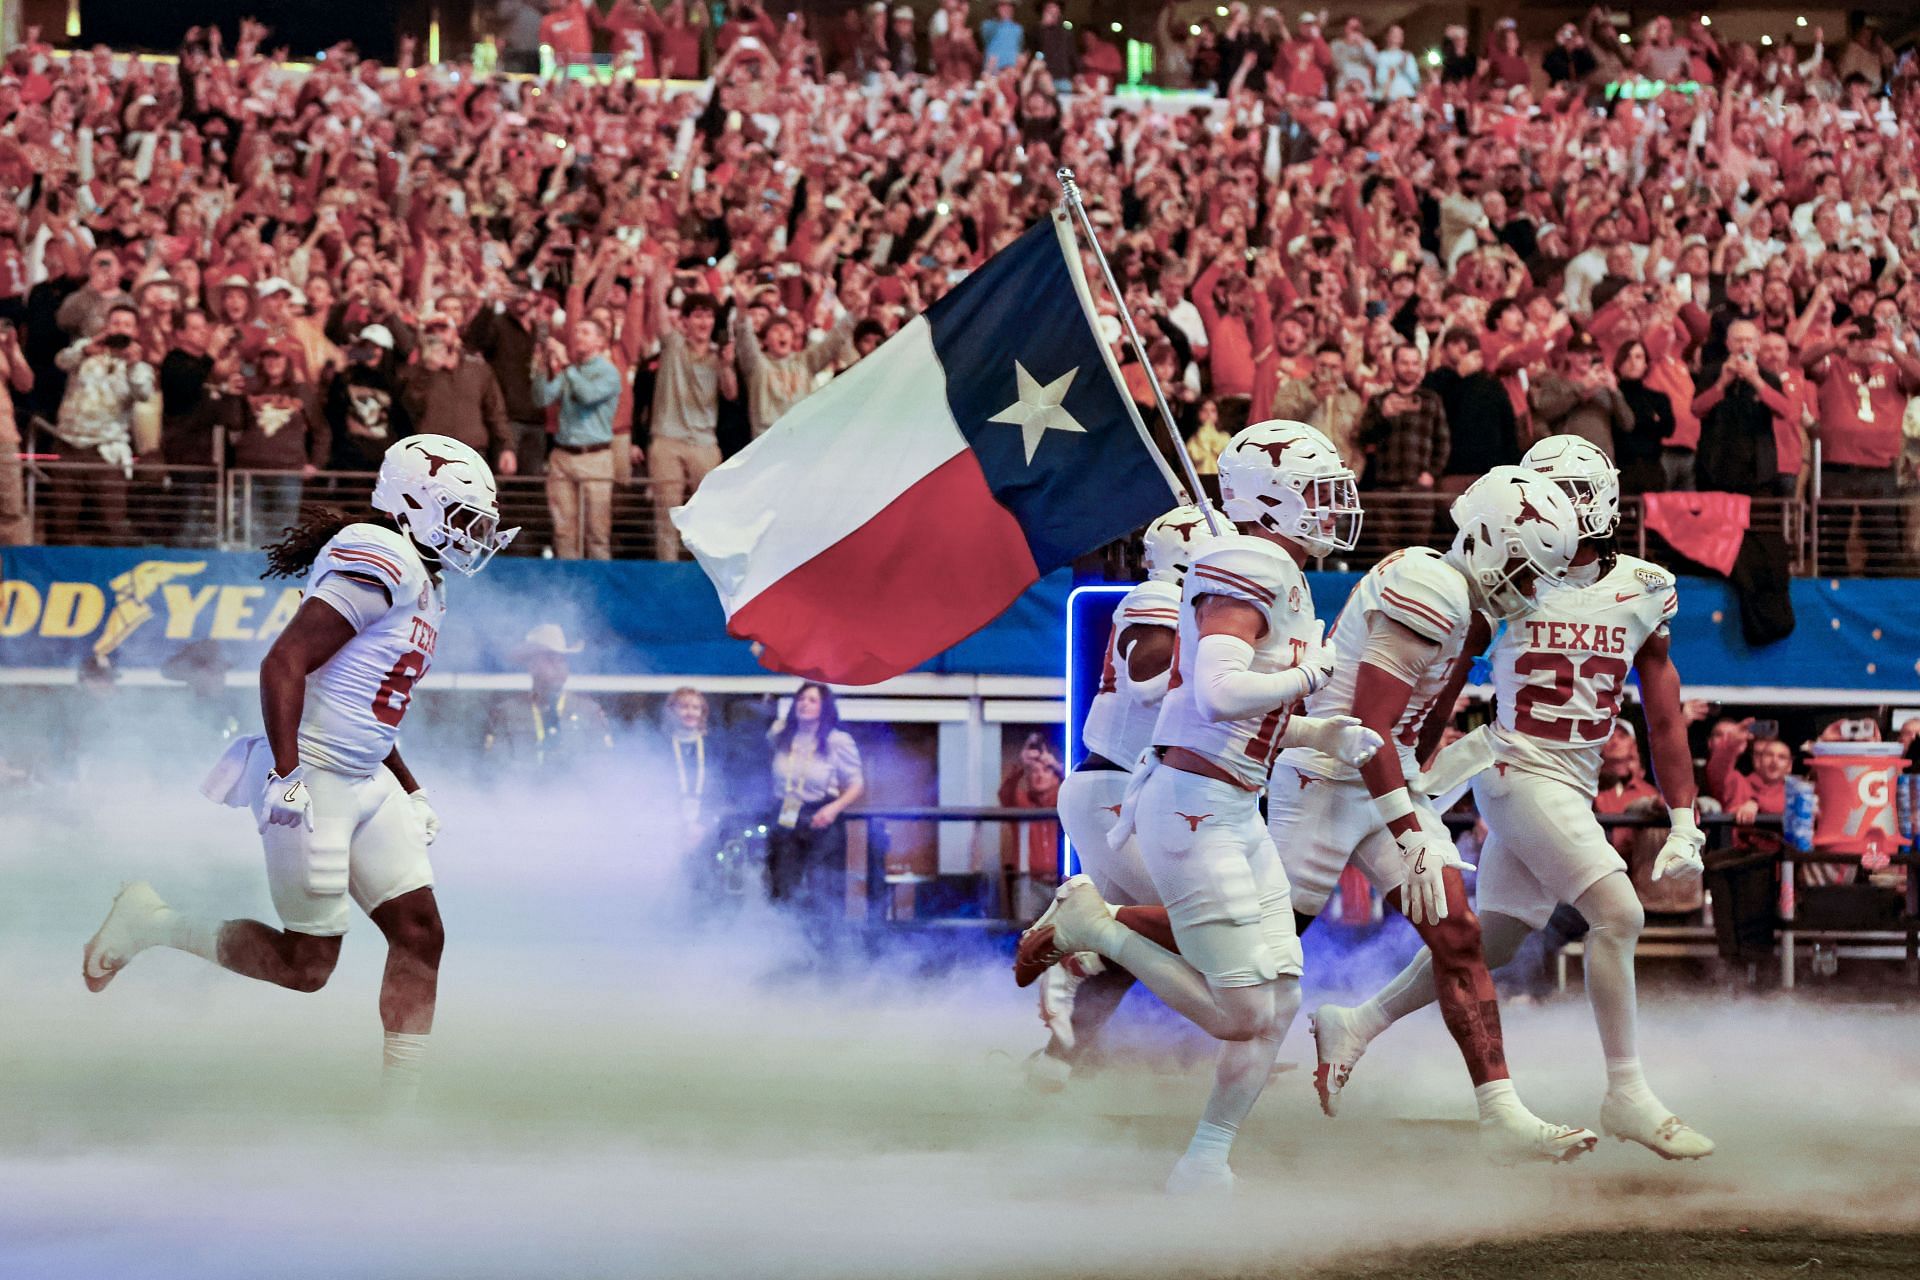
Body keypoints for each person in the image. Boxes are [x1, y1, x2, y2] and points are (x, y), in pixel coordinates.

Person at [82, 434, 520, 1111]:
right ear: (416, 504)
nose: (471, 536)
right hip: (314, 773)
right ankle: (152, 922)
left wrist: (409, 782)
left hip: (363, 775)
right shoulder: (384, 557)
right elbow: (284, 663)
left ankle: (397, 1115)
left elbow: (365, 706)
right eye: (461, 517)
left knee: (420, 934)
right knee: (307, 966)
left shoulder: (420, 578)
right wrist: (286, 775)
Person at [1312, 437, 1714, 1161]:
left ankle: (1358, 1022)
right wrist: (1412, 767)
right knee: (1618, 914)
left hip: (1572, 782)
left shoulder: (1646, 586)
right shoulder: (1505, 577)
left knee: (1491, 939)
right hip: (1513, 770)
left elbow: (1662, 711)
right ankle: (1627, 1092)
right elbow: (1439, 681)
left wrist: (1685, 815)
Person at [1018, 420, 1382, 1194]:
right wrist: (1311, 676)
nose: (1330, 508)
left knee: (1281, 999)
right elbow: (1220, 693)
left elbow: (1239, 712)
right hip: (1191, 806)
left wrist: (1322, 731)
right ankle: (1096, 927)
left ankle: (1205, 1159)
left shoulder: (1272, 571)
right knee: (1237, 1010)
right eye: (1314, 494)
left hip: (1232, 804)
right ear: (1270, 500)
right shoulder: (1247, 567)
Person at [1271, 465, 1597, 1163]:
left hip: (1384, 779)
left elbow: (1416, 723)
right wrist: (1409, 831)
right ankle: (1102, 930)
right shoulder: (1430, 587)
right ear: (1489, 542)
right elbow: (1368, 727)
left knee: (1458, 933)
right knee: (1252, 958)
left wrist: (1424, 782)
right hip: (1328, 777)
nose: (1534, 588)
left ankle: (1500, 1113)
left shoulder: (1471, 601)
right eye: (1528, 569)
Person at [1021, 503, 1226, 1089]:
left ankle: (1062, 1060)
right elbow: (1143, 681)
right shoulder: (1158, 601)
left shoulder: (1181, 606)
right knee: (1201, 924)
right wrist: (1217, 672)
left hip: (1119, 789)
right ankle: (1227, 1056)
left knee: (1127, 948)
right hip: (1114, 787)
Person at [765, 683, 865, 943]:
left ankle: (825, 952)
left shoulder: (836, 740)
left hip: (820, 813)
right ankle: (785, 947)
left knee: (823, 887)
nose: (804, 704)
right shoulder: (780, 734)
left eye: (812, 700)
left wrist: (832, 809)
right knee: (782, 883)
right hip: (785, 812)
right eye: (801, 699)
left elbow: (856, 784)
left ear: (824, 708)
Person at [49, 303, 156, 543]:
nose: (120, 329)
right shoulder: (85, 348)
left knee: (112, 522)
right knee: (62, 521)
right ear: (107, 326)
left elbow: (144, 393)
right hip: (69, 445)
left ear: (136, 331)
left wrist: (132, 364)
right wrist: (86, 350)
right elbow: (61, 361)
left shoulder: (140, 366)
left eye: (127, 325)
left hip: (107, 451)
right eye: (115, 323)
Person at [648, 278, 735, 560]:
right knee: (666, 515)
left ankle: (705, 572)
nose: (704, 321)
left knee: (708, 514)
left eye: (708, 315)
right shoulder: (673, 345)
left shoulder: (719, 355)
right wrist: (657, 279)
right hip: (667, 440)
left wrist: (726, 365)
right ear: (685, 321)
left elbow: (731, 393)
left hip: (704, 442)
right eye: (697, 315)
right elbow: (659, 316)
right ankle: (667, 572)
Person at [534, 317, 623, 560]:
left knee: (597, 532)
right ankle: (567, 589)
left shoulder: (609, 373)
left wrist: (564, 365)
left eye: (585, 331)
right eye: (576, 332)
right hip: (563, 456)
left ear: (600, 341)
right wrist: (541, 365)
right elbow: (542, 398)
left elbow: (587, 395)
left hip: (595, 457)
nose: (578, 336)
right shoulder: (570, 371)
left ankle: (600, 589)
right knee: (564, 532)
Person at [482, 623, 614, 770]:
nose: (558, 666)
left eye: (562, 660)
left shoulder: (588, 711)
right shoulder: (507, 713)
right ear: (531, 665)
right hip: (524, 791)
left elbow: (604, 768)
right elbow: (494, 769)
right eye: (550, 659)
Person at [1611, 339, 1675, 496]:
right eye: (1628, 357)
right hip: (1620, 470)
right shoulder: (1611, 395)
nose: (1633, 362)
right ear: (1619, 364)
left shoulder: (1658, 398)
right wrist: (1650, 421)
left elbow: (1668, 428)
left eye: (1638, 357)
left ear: (1646, 363)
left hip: (1652, 469)